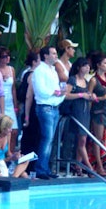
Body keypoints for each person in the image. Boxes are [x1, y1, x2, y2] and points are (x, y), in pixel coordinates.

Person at [32, 46, 65, 180]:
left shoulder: (53, 70)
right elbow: (41, 91)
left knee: (50, 139)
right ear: (45, 56)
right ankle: (41, 168)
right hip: (45, 107)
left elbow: (57, 89)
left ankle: (45, 168)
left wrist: (60, 95)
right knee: (47, 138)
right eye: (53, 53)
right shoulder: (39, 70)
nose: (56, 56)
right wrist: (57, 93)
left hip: (54, 107)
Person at [65, 57, 97, 176]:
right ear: (79, 67)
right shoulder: (72, 80)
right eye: (85, 65)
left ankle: (77, 165)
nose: (87, 68)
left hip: (85, 112)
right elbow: (66, 95)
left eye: (88, 66)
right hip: (76, 111)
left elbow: (87, 95)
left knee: (82, 139)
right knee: (82, 138)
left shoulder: (87, 82)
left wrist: (91, 96)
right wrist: (80, 95)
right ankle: (88, 167)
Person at [20, 52, 41, 173]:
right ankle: (29, 167)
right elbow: (28, 97)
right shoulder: (33, 75)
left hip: (30, 110)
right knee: (32, 140)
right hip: (32, 111)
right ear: (34, 62)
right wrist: (27, 116)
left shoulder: (27, 74)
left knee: (29, 139)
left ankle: (28, 166)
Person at [0, 46, 19, 152]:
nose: (7, 58)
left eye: (8, 56)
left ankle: (11, 152)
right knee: (2, 129)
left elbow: (13, 88)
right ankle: (3, 153)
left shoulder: (11, 69)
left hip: (9, 102)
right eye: (4, 56)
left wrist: (15, 104)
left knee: (14, 130)